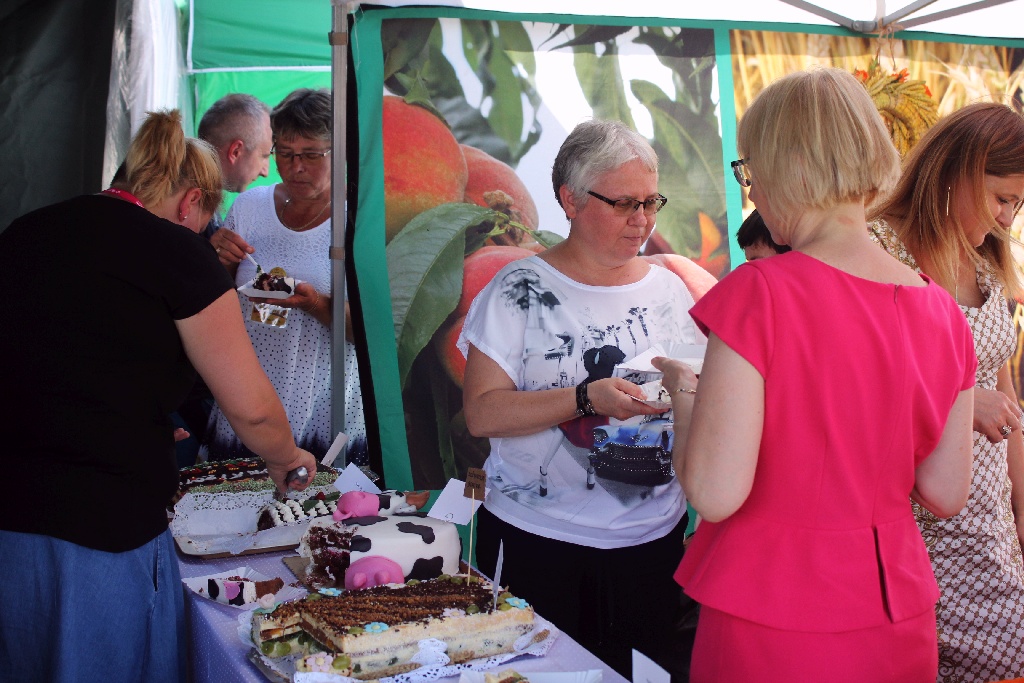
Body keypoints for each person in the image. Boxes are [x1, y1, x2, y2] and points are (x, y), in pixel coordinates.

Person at [653, 67, 976, 681]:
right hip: (896, 614)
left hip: (775, 616)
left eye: (749, 172)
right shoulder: (943, 312)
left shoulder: (761, 292)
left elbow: (716, 494)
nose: (752, 193)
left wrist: (682, 394)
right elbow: (945, 493)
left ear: (784, 167)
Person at [0, 110, 318, 683]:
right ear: (190, 201)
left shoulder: (26, 231)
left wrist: (135, 413)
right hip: (103, 524)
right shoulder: (177, 253)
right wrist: (287, 460)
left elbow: (68, 356)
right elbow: (250, 405)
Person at [458, 118, 706, 677]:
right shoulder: (517, 287)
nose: (641, 220)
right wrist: (585, 399)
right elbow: (482, 412)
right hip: (538, 544)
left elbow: (693, 391)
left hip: (651, 545)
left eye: (650, 201)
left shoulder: (670, 289)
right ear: (569, 200)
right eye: (623, 203)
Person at [866, 101, 1024, 683]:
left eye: (1018, 203)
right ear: (958, 169)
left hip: (988, 521)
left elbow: (1006, 397)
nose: (1010, 217)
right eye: (1002, 197)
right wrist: (958, 405)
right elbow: (850, 388)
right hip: (914, 520)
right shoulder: (877, 249)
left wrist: (1022, 506)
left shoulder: (984, 257)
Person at [206, 88, 367, 466]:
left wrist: (314, 303)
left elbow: (369, 333)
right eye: (284, 152)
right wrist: (218, 262)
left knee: (319, 522)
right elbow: (213, 306)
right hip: (247, 407)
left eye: (311, 155)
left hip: (326, 413)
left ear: (340, 150)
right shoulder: (248, 206)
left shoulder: (358, 221)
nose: (296, 167)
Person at [197, 92, 274, 235]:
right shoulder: (189, 207)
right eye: (264, 156)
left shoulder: (201, 201)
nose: (265, 172)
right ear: (235, 152)